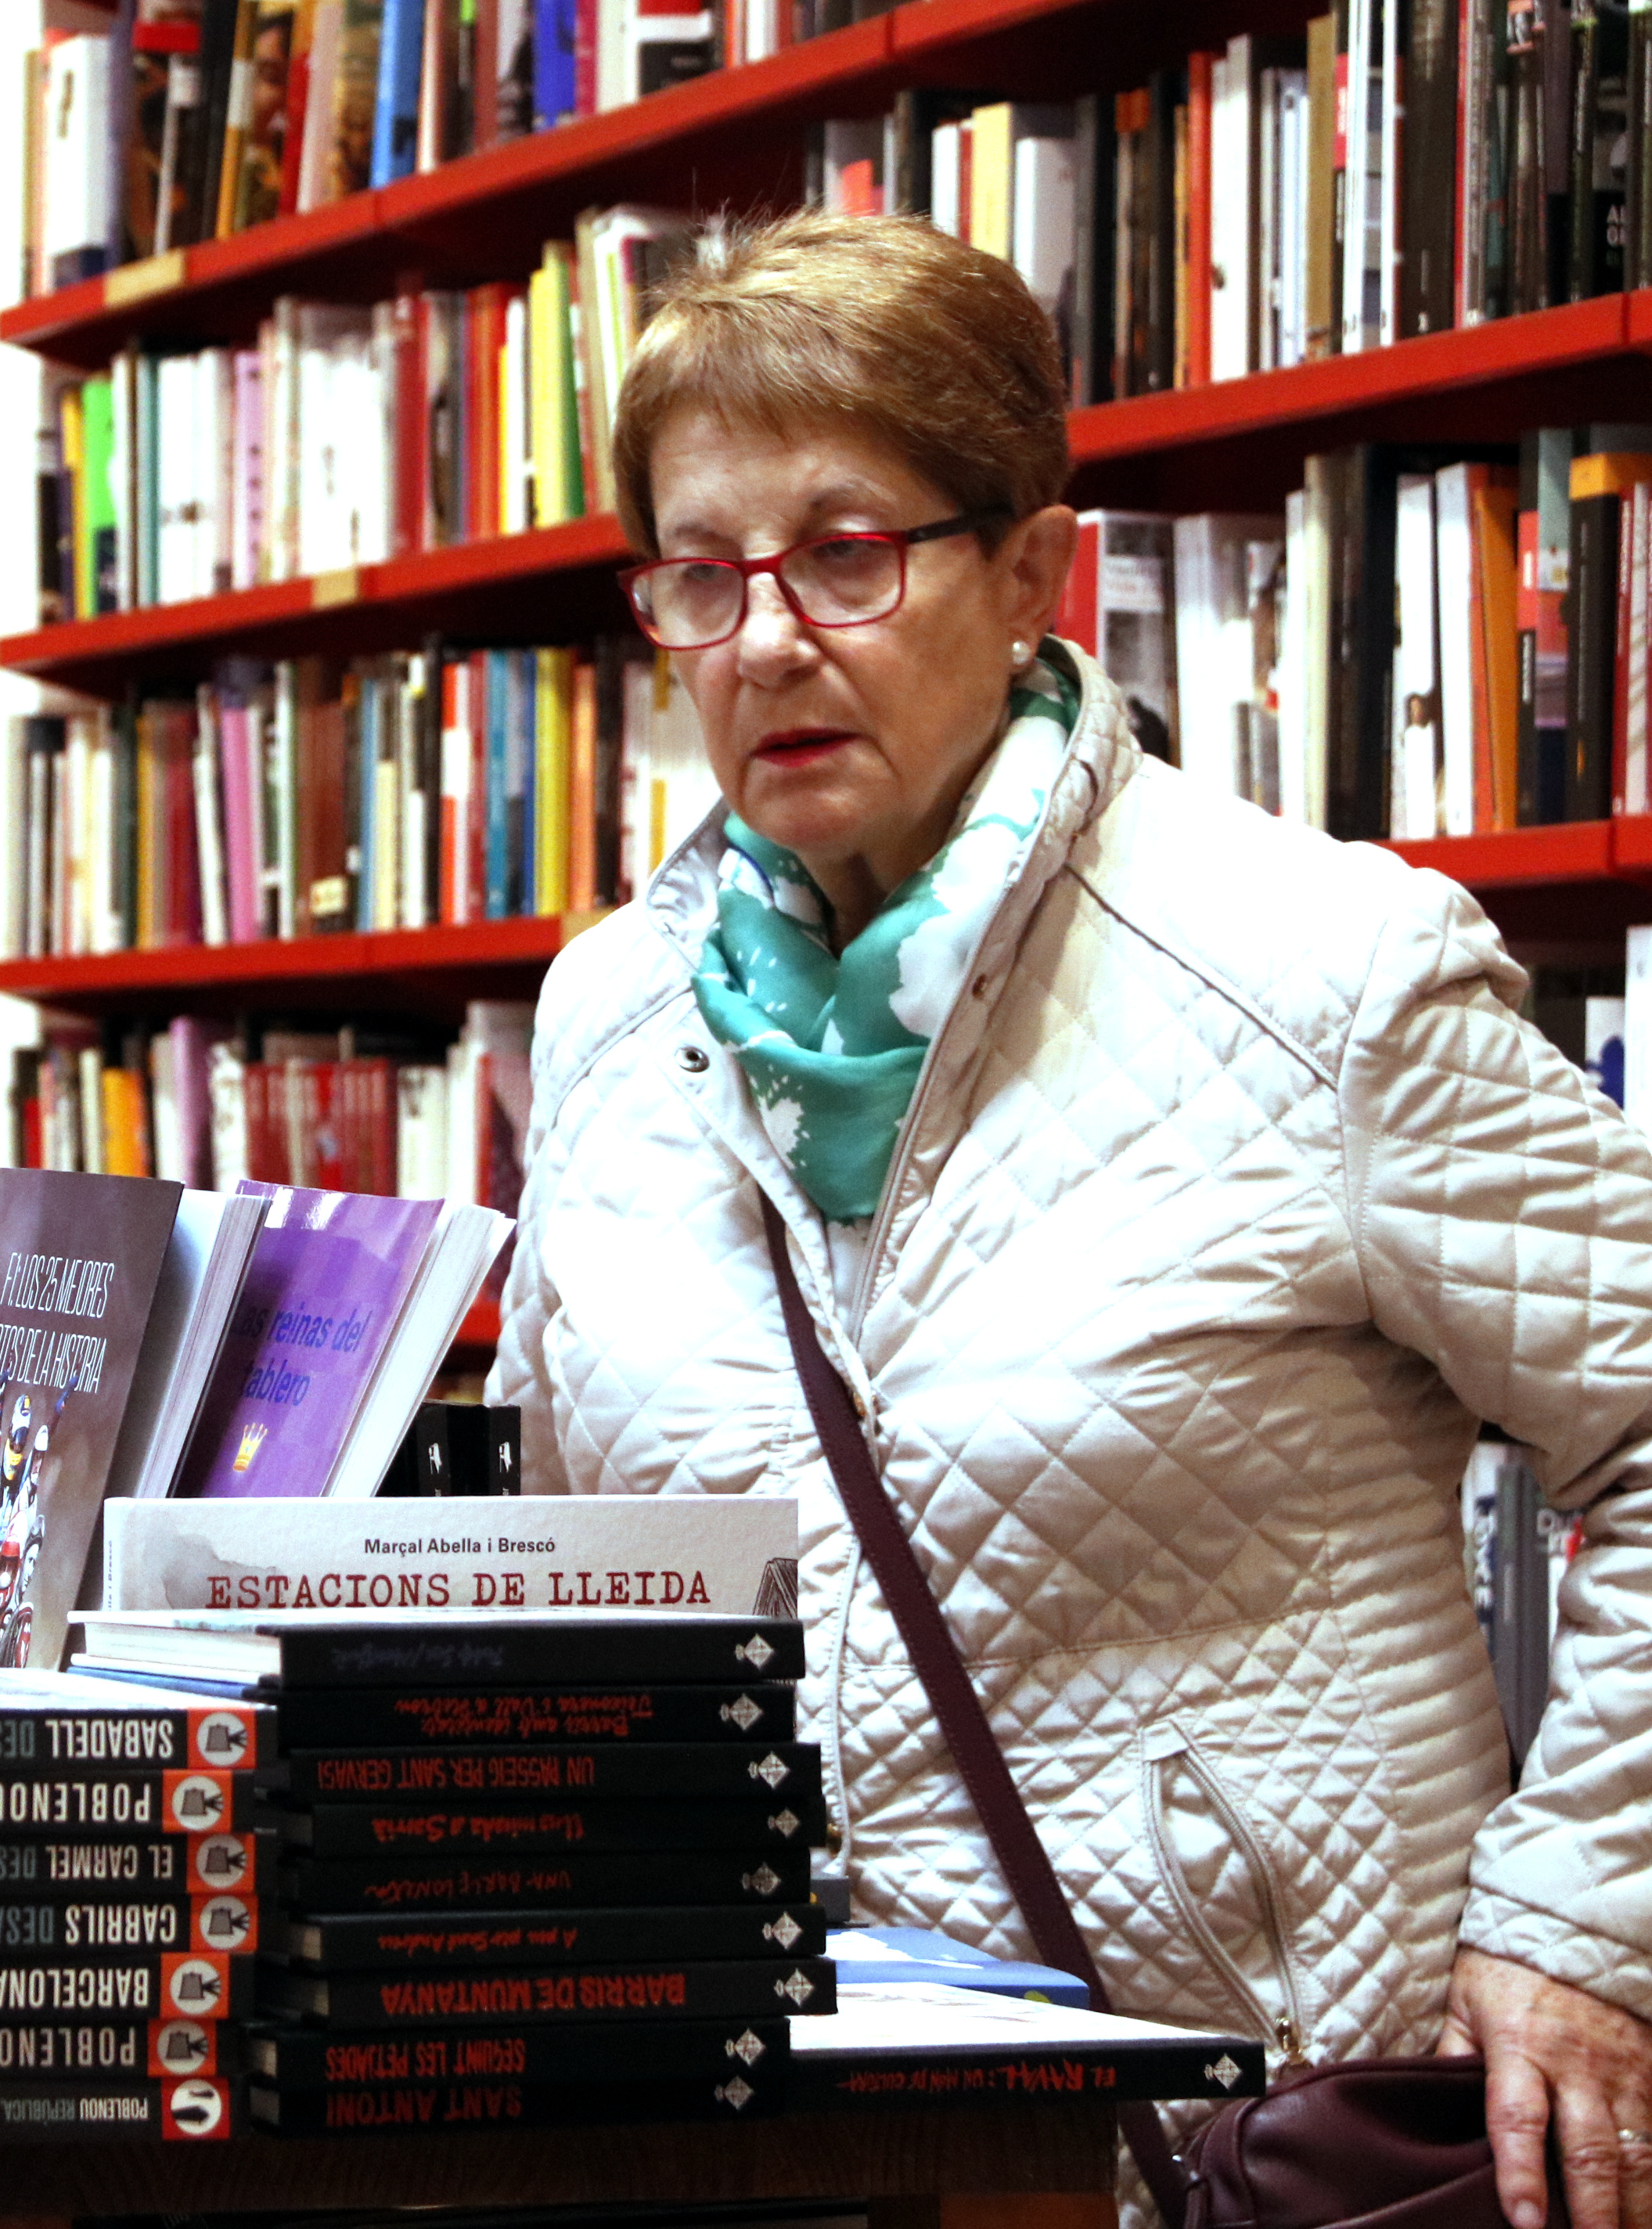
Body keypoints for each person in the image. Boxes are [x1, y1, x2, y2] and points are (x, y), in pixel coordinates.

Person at [488, 211, 1652, 2229]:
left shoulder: (1316, 972)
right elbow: (579, 1558)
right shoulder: (607, 1016)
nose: (764, 638)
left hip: (1225, 2132)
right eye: (699, 571)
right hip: (760, 2137)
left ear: (1034, 567)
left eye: (847, 552)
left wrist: (1585, 1908)